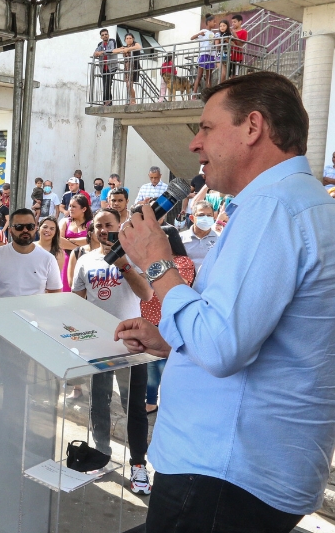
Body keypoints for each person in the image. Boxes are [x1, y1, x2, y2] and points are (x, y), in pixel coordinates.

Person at [114, 72, 335, 530]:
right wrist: (175, 338)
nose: (195, 144)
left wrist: (157, 263)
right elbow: (255, 332)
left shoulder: (274, 208)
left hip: (223, 472)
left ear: (253, 127)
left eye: (206, 128)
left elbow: (220, 347)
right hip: (245, 470)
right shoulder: (300, 204)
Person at [70, 208, 154, 496]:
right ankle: (101, 456)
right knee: (99, 404)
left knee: (134, 408)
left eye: (109, 225)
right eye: (98, 226)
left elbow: (146, 295)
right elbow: (77, 302)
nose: (103, 230)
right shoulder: (85, 260)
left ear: (120, 226)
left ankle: (138, 465)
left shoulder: (134, 256)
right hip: (98, 347)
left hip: (132, 347)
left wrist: (123, 265)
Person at [0, 209, 62, 460]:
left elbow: (54, 296)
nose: (25, 231)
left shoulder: (46, 259)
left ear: (35, 228)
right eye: (19, 226)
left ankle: (18, 439)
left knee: (27, 390)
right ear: (9, 228)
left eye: (30, 226)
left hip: (32, 338)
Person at [139, 226, 195, 414]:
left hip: (167, 320)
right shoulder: (147, 261)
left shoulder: (183, 262)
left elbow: (176, 288)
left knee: (165, 367)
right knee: (150, 366)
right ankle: (151, 400)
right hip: (147, 318)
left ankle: (173, 402)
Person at [58, 194, 92, 291]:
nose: (70, 209)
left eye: (74, 206)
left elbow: (92, 240)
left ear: (84, 209)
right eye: (70, 206)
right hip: (66, 260)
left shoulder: (91, 224)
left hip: (85, 260)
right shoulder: (64, 221)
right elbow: (59, 241)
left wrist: (68, 241)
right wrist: (82, 244)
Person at [178, 200, 218, 271]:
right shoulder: (180, 238)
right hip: (187, 281)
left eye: (209, 215)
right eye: (201, 215)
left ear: (213, 217)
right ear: (192, 218)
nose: (205, 218)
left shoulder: (220, 239)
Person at [112, 32, 142, 104]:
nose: (129, 40)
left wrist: (128, 49)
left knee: (129, 84)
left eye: (130, 38)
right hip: (126, 68)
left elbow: (139, 47)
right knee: (127, 85)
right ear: (125, 40)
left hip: (134, 67)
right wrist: (122, 49)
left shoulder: (135, 44)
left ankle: (133, 101)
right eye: (127, 38)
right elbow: (113, 51)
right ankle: (131, 100)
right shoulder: (124, 47)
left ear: (133, 39)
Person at [191, 20, 217, 95]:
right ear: (208, 22)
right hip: (203, 54)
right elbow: (192, 38)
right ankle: (194, 94)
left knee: (209, 76)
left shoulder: (212, 33)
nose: (214, 23)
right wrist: (199, 34)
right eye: (213, 21)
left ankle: (208, 94)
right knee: (200, 75)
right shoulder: (203, 31)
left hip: (211, 55)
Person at [93, 28, 117, 105]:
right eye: (102, 35)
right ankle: (106, 102)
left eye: (106, 34)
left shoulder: (112, 41)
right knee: (105, 84)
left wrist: (101, 52)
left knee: (108, 83)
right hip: (103, 67)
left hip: (112, 66)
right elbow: (95, 53)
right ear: (101, 37)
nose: (104, 36)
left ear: (108, 35)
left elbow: (111, 51)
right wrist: (97, 53)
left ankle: (108, 102)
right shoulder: (100, 44)